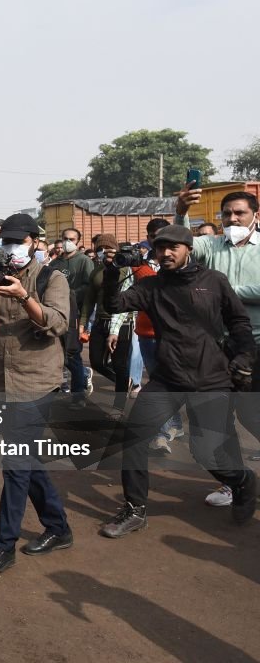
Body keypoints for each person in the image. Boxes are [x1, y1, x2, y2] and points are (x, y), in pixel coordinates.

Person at [99, 224, 257, 537]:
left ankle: (242, 481)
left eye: (174, 247)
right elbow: (115, 306)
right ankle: (135, 509)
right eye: (161, 248)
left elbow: (238, 322)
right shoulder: (151, 286)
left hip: (210, 379)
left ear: (188, 249)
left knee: (206, 452)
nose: (166, 253)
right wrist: (109, 273)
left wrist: (244, 357)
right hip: (167, 379)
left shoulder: (214, 282)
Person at [0, 213, 74, 574]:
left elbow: (58, 322)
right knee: (25, 458)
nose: (8, 247)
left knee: (15, 464)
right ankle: (58, 527)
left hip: (37, 380)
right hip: (3, 380)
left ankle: (3, 546)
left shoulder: (51, 277)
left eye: (16, 241)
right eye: (2, 240)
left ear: (33, 242)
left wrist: (24, 295)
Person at [174, 187, 260, 502]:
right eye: (227, 214)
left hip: (254, 348)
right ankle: (235, 482)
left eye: (240, 213)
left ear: (255, 216)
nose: (233, 219)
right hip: (213, 349)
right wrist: (181, 210)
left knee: (253, 416)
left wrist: (219, 288)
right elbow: (180, 244)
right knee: (215, 421)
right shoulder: (211, 246)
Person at [130, 219, 185, 454]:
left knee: (173, 384)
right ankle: (166, 430)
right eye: (153, 236)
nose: (157, 240)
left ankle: (169, 428)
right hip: (147, 334)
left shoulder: (180, 263)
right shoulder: (140, 263)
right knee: (158, 383)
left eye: (162, 235)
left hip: (174, 335)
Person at [80, 234, 134, 409]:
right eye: (100, 250)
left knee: (119, 364)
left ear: (116, 250)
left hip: (122, 323)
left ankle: (119, 405)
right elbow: (89, 299)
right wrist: (82, 322)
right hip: (100, 321)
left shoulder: (126, 269)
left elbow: (128, 297)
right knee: (96, 362)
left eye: (108, 249)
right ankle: (125, 381)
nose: (104, 253)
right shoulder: (96, 271)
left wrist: (115, 263)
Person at [49, 228, 95, 408]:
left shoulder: (84, 261)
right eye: (65, 238)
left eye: (72, 239)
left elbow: (90, 287)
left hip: (74, 315)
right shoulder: (55, 264)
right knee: (52, 354)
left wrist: (69, 294)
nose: (68, 241)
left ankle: (78, 395)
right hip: (55, 313)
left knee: (72, 355)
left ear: (78, 241)